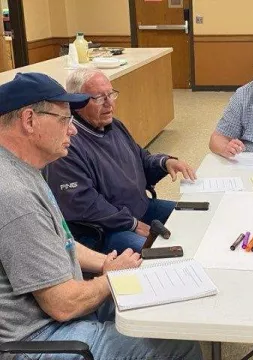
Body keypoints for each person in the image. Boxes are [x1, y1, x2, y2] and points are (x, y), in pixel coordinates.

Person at [0, 72, 202, 359]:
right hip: (42, 338)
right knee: (179, 342)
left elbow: (62, 241)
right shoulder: (15, 195)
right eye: (64, 120)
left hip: (60, 311)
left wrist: (109, 263)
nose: (72, 130)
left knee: (157, 303)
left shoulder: (26, 168)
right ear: (29, 120)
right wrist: (109, 278)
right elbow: (63, 305)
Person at [45, 68, 197, 254]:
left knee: (194, 216)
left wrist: (164, 163)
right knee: (164, 255)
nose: (109, 104)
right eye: (100, 98)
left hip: (141, 207)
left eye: (111, 94)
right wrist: (133, 224)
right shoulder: (67, 145)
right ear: (77, 102)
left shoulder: (114, 125)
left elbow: (141, 159)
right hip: (105, 229)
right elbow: (85, 204)